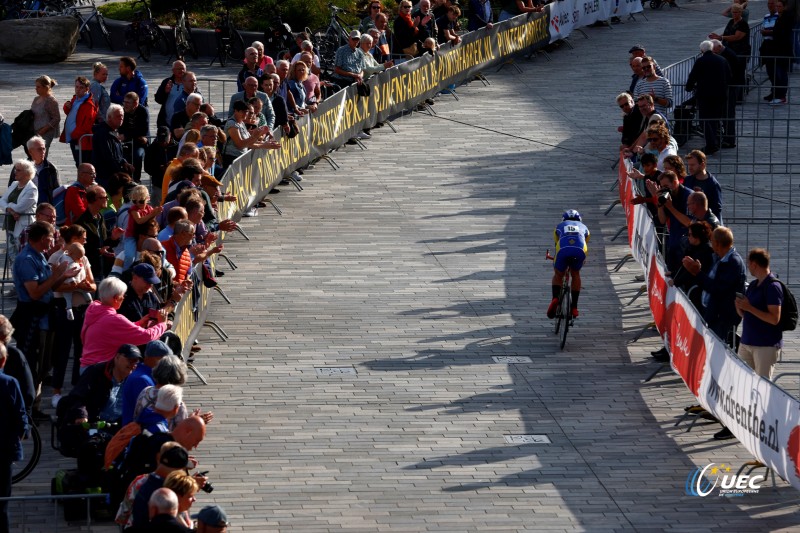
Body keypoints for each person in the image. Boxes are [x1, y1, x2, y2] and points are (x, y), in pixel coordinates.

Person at [80, 277, 171, 369]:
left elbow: (112, 330)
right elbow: (146, 336)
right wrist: (162, 324)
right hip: (99, 370)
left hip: (86, 367)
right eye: (122, 295)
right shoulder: (114, 319)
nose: (123, 298)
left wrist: (139, 323)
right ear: (116, 298)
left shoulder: (94, 310)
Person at [49, 225, 95, 407]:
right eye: (83, 237)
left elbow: (92, 285)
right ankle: (56, 390)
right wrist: (75, 286)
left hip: (82, 308)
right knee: (62, 350)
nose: (85, 241)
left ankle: (77, 386)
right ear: (74, 238)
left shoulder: (83, 256)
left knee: (81, 350)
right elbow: (54, 285)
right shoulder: (56, 257)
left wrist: (84, 286)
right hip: (64, 309)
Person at [682, 226, 746, 346]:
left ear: (717, 243)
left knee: (717, 346)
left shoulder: (733, 263)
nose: (710, 244)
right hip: (714, 312)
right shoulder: (719, 258)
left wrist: (697, 273)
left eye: (712, 241)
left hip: (723, 316)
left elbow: (717, 289)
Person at [735, 248, 784, 379]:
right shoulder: (753, 285)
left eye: (748, 263)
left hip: (765, 345)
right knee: (743, 382)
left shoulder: (773, 287)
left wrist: (749, 308)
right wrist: (740, 308)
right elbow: (748, 315)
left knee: (762, 386)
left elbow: (774, 319)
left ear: (754, 264)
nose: (748, 267)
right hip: (747, 342)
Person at [0, 343, 29, 533]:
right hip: (3, 451)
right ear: (3, 361)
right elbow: (20, 415)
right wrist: (21, 434)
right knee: (2, 503)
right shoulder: (9, 383)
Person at [685, 41, 733, 156]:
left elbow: (693, 75)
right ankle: (714, 142)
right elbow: (730, 77)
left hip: (705, 95)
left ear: (702, 50)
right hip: (720, 95)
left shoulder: (701, 61)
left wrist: (689, 87)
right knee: (715, 120)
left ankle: (711, 144)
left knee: (705, 120)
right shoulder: (722, 60)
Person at [547, 210, 590, 319]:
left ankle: (555, 298)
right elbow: (585, 243)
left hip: (563, 250)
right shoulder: (584, 227)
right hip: (579, 251)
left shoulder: (559, 226)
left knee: (558, 274)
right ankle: (574, 307)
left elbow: (557, 244)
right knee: (576, 274)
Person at [75, 185, 124, 281]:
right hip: (90, 272)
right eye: (103, 197)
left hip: (104, 270)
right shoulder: (82, 223)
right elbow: (78, 250)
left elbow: (104, 244)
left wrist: (113, 238)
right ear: (93, 200)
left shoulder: (100, 218)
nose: (107, 199)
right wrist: (99, 251)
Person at [121, 339, 171, 425]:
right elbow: (148, 415)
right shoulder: (141, 380)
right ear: (153, 359)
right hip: (137, 433)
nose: (168, 364)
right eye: (165, 360)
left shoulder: (145, 374)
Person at [709, 3, 750, 103]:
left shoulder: (743, 24)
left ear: (740, 13)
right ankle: (729, 95)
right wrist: (717, 37)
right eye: (733, 12)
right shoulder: (731, 21)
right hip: (728, 52)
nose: (734, 14)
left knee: (739, 74)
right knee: (729, 73)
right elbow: (727, 33)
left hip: (740, 52)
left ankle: (739, 97)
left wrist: (721, 38)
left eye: (736, 12)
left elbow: (737, 37)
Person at [1, 160, 38, 264]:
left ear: (27, 173)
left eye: (18, 170)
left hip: (23, 228)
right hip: (10, 224)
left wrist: (9, 207)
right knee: (12, 257)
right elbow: (1, 200)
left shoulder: (32, 189)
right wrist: (11, 211)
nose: (15, 172)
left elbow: (19, 208)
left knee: (22, 256)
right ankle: (15, 279)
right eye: (15, 169)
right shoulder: (14, 184)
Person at [222, 101, 277, 169]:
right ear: (236, 111)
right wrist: (255, 136)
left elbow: (249, 142)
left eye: (247, 112)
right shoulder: (232, 123)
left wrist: (265, 144)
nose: (246, 114)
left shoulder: (241, 123)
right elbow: (240, 144)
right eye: (243, 112)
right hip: (232, 159)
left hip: (241, 158)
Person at [93, 104, 135, 189]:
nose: (121, 119)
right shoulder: (103, 133)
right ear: (109, 117)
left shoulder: (113, 131)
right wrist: (122, 174)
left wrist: (124, 162)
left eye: (122, 116)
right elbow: (108, 157)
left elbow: (117, 154)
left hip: (112, 176)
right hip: (105, 177)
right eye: (117, 116)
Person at [61, 76, 98, 167]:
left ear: (87, 89)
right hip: (74, 138)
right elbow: (72, 114)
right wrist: (66, 107)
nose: (78, 90)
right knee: (78, 163)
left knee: (82, 163)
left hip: (81, 140)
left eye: (81, 88)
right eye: (76, 87)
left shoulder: (89, 105)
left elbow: (87, 125)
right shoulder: (75, 99)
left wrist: (75, 134)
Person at [683, 150, 722, 220]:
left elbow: (717, 209)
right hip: (690, 223)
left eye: (693, 165)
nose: (690, 168)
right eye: (689, 165)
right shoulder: (687, 180)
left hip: (707, 225)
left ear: (702, 165)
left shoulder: (713, 184)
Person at [119, 92, 150, 183]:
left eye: (128, 103)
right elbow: (121, 127)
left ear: (135, 103)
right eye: (124, 102)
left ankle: (136, 179)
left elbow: (142, 130)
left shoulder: (143, 111)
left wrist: (127, 135)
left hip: (140, 142)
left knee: (137, 155)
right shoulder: (122, 110)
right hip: (126, 141)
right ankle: (123, 179)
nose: (125, 105)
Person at [769, 0, 793, 106]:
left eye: (779, 6)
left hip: (783, 50)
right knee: (778, 73)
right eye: (776, 6)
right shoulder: (780, 17)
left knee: (781, 74)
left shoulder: (786, 18)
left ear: (784, 7)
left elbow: (782, 33)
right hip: (778, 49)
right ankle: (779, 95)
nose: (777, 8)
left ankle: (781, 96)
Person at [30, 75, 61, 156]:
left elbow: (56, 118)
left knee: (40, 156)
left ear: (46, 87)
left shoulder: (51, 101)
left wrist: (43, 130)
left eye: (38, 87)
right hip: (35, 131)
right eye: (36, 86)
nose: (36, 88)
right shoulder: (36, 99)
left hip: (45, 133)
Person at [154, 61, 187, 129]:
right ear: (173, 71)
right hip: (166, 121)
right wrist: (165, 92)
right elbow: (158, 99)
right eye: (179, 69)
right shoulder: (167, 82)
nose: (182, 71)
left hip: (183, 123)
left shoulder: (189, 82)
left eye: (183, 68)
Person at [760, 0, 779, 102]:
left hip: (774, 45)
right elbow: (763, 30)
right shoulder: (766, 16)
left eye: (772, 4)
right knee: (769, 70)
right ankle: (773, 91)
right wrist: (766, 32)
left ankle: (776, 92)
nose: (770, 6)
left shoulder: (779, 16)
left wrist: (767, 32)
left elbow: (776, 31)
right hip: (766, 45)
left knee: (775, 71)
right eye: (769, 4)